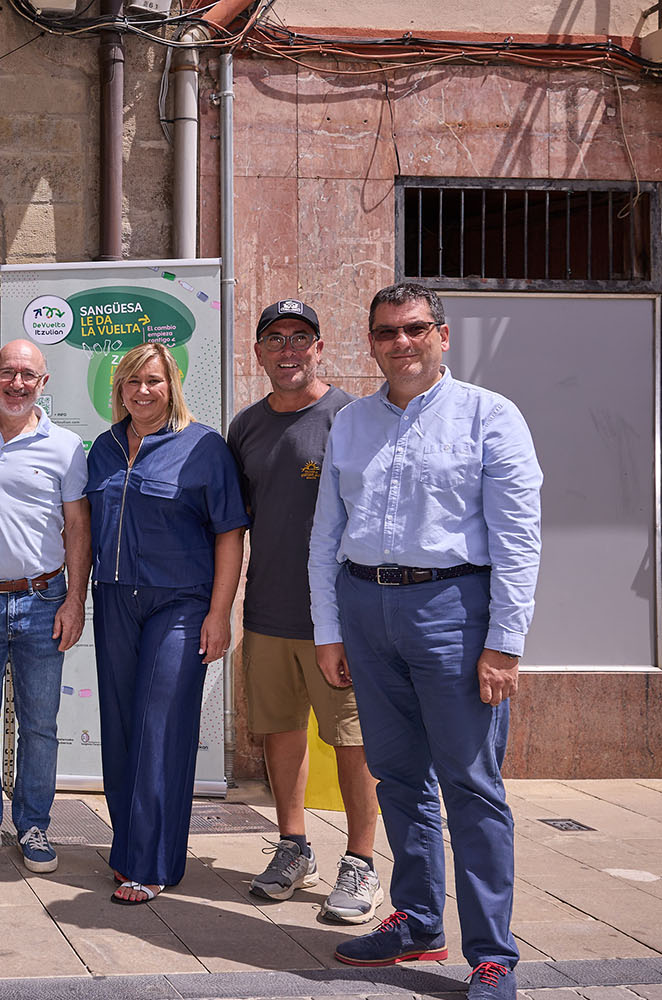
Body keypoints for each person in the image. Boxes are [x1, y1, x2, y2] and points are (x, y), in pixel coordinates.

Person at [310, 283, 540, 1000]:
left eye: (413, 330)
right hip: (366, 607)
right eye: (385, 333)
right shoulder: (351, 421)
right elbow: (327, 533)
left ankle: (493, 954)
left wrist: (504, 641)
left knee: (472, 786)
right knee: (399, 778)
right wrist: (329, 629)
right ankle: (414, 921)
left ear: (443, 334)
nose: (400, 344)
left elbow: (518, 538)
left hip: (454, 610)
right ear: (372, 342)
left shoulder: (489, 417)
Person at [226, 299, 382, 923]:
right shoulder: (246, 426)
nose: (288, 349)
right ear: (258, 353)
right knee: (280, 732)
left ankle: (362, 862)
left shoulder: (352, 416)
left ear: (320, 347)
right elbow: (236, 522)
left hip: (337, 621)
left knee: (352, 741)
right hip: (267, 612)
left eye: (300, 338)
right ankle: (293, 846)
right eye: (275, 339)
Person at [86, 341, 247, 905]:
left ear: (171, 384)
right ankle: (128, 846)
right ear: (120, 389)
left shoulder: (204, 446)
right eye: (132, 381)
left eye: (153, 380)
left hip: (179, 602)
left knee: (161, 726)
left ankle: (152, 863)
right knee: (122, 727)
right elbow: (85, 527)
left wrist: (220, 613)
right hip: (113, 600)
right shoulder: (103, 448)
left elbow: (230, 533)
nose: (143, 391)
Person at [0, 338, 90, 874]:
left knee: (39, 724)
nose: (16, 383)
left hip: (43, 600)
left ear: (43, 383)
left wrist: (75, 600)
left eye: (27, 375)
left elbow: (78, 526)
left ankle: (33, 826)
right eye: (7, 372)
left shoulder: (67, 447)